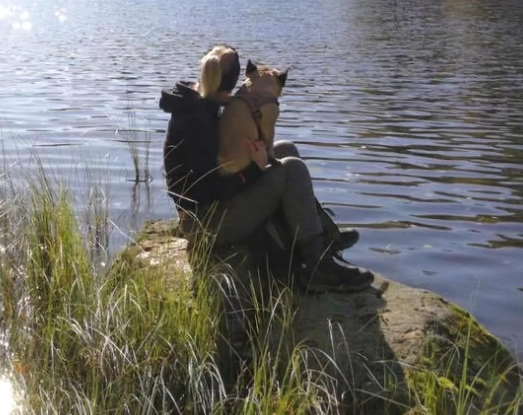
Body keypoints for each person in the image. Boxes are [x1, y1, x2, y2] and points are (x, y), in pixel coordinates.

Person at [160, 45, 373, 293]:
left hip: (213, 210)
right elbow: (203, 192)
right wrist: (254, 170)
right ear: (226, 85)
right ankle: (317, 269)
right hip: (207, 225)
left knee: (285, 149)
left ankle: (322, 237)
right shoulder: (196, 121)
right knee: (292, 169)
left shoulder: (197, 100)